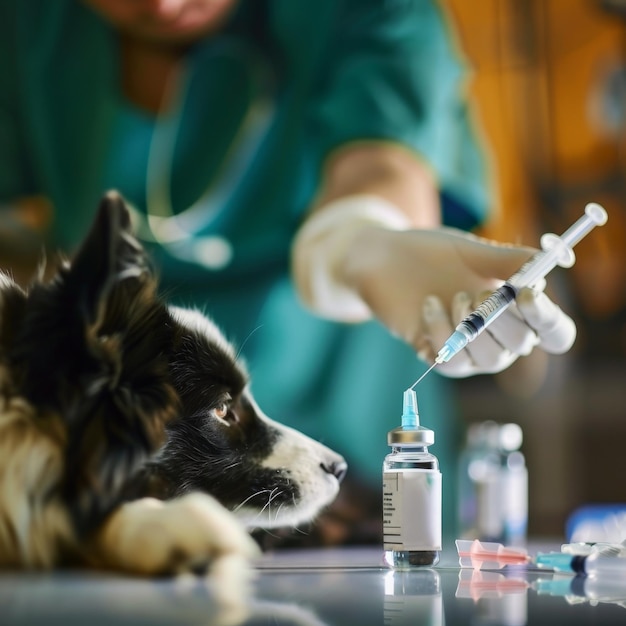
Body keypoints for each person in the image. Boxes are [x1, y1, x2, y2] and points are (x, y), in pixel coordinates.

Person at [0, 0, 575, 542]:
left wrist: (367, 241)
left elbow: (382, 157)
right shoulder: (27, 24)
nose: (163, 5)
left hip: (341, 408)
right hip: (111, 482)